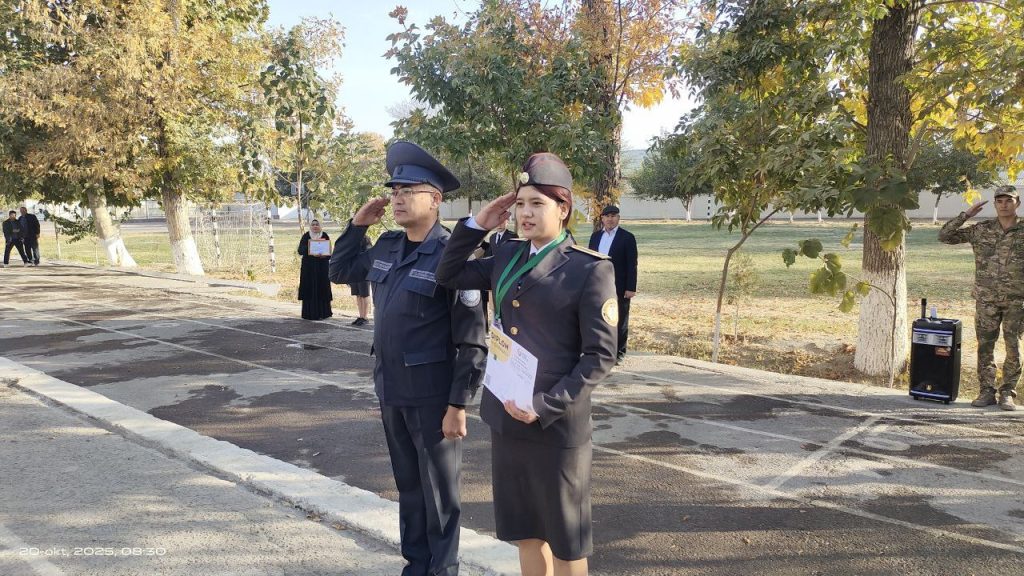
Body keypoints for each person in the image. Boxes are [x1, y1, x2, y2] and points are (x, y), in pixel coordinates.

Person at [436, 152, 617, 576]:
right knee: (527, 532)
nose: (525, 213)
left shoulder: (588, 269)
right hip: (508, 417)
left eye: (537, 203)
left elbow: (600, 356)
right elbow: (449, 274)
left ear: (563, 209)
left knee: (566, 541)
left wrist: (545, 405)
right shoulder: (507, 254)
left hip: (555, 424)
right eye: (520, 204)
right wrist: (477, 224)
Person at [328, 140, 487, 576]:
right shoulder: (387, 246)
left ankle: (442, 571)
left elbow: (473, 340)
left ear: (434, 199)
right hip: (392, 388)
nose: (397, 198)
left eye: (408, 191)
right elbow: (339, 271)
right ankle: (416, 566)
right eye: (394, 191)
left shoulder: (454, 256)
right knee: (410, 488)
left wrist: (458, 404)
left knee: (440, 496)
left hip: (434, 397)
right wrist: (357, 226)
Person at [939, 184, 1024, 411]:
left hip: (1017, 300)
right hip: (986, 299)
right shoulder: (982, 230)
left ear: (1017, 203)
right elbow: (944, 236)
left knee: (1013, 346)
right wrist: (965, 215)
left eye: (1009, 201)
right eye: (999, 201)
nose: (1004, 205)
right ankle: (987, 391)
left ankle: (1007, 392)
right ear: (995, 204)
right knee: (985, 346)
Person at [588, 205, 638, 364]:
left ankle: (619, 352)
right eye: (607, 216)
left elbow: (632, 264)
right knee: (598, 317)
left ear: (618, 218)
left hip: (619, 285)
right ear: (602, 218)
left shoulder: (627, 237)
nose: (610, 219)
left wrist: (631, 287)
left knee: (619, 318)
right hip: (598, 285)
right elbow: (589, 260)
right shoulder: (596, 236)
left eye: (613, 216)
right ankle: (601, 350)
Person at [297, 219, 333, 321]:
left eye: (317, 224)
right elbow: (300, 250)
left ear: (320, 226)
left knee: (322, 288)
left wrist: (323, 255)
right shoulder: (306, 236)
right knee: (309, 288)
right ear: (310, 226)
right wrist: (310, 248)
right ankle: (309, 313)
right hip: (309, 268)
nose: (315, 226)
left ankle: (323, 313)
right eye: (313, 224)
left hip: (322, 267)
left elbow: (329, 253)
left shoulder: (324, 235)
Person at [350, 235, 373, 326]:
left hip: (364, 272)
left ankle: (365, 317)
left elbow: (368, 255)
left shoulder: (366, 239)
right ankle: (360, 316)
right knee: (358, 295)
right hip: (354, 271)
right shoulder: (351, 240)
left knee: (364, 294)